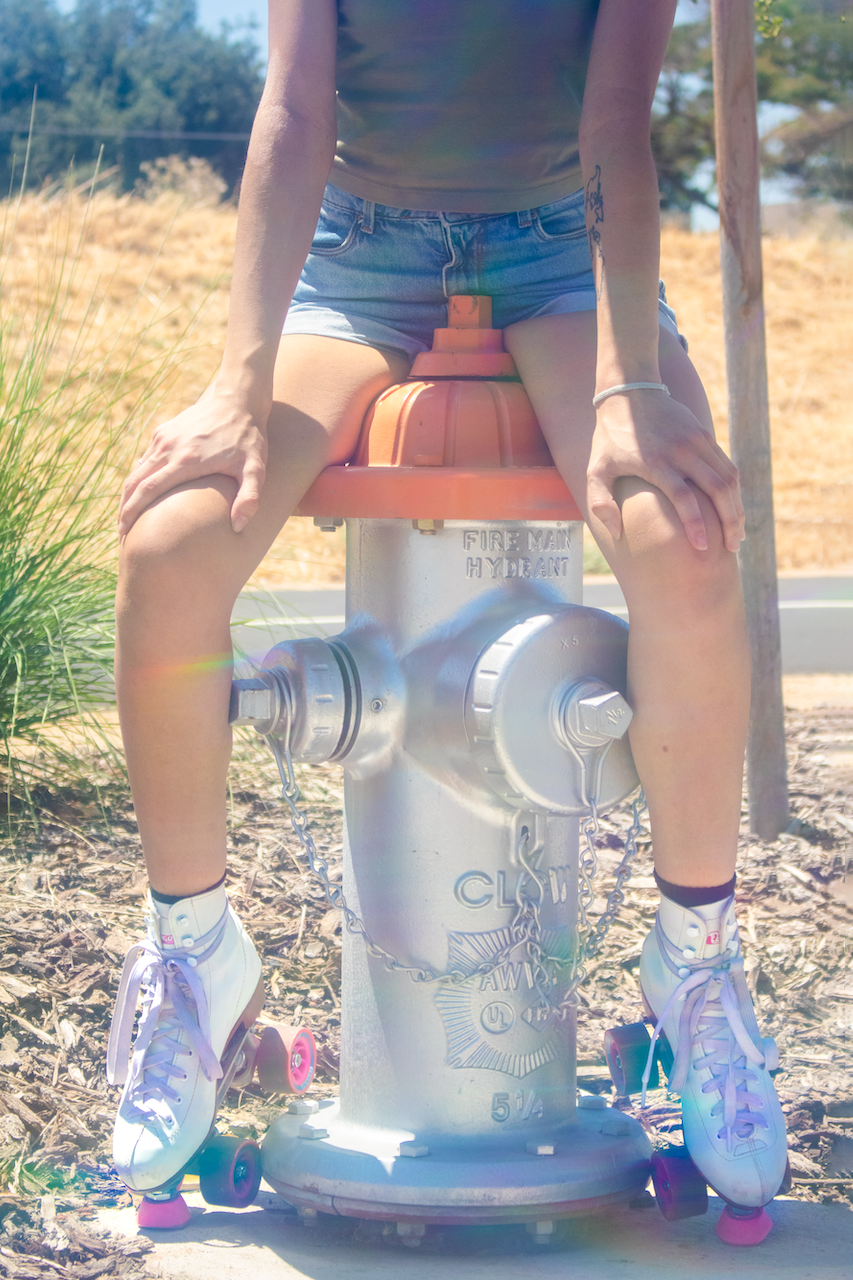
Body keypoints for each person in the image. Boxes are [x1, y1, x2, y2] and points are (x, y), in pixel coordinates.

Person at [107, 0, 788, 1212]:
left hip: (557, 252)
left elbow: (614, 127)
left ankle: (693, 964)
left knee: (681, 537)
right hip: (356, 254)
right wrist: (238, 380)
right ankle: (194, 951)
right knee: (170, 546)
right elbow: (297, 110)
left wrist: (633, 380)